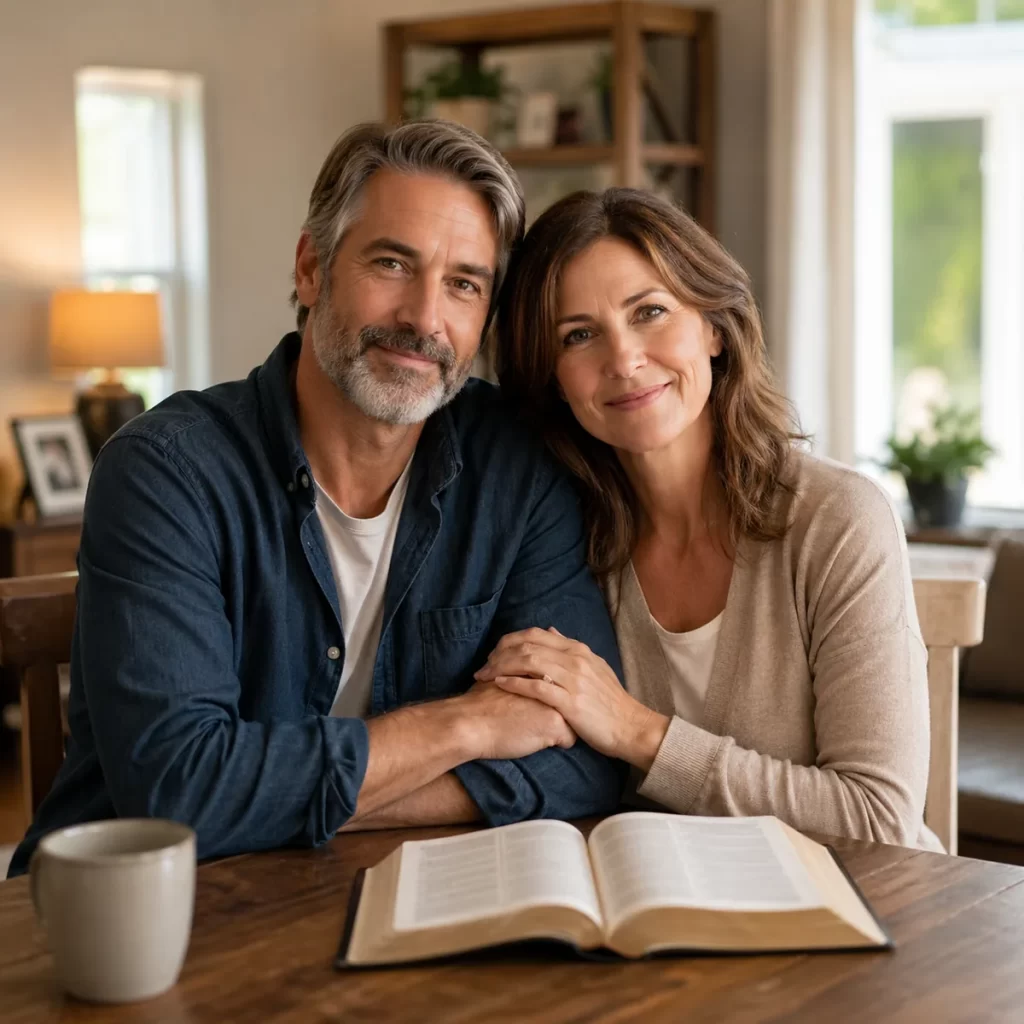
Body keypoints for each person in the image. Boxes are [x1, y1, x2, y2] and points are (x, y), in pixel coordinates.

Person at [7, 121, 626, 878]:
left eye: (464, 284)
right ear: (310, 269)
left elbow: (590, 757)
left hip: (384, 899)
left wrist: (296, 800)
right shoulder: (165, 471)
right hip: (135, 926)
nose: (425, 319)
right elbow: (180, 793)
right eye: (393, 263)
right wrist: (467, 725)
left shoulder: (518, 467)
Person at [482, 187, 941, 850]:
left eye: (650, 312)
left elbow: (878, 819)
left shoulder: (838, 519)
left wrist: (637, 730)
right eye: (578, 335)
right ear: (552, 377)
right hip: (671, 923)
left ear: (715, 327)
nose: (623, 358)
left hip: (864, 916)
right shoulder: (563, 541)